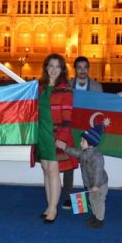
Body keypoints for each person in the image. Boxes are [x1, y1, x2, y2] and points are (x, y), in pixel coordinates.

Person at [34, 54, 76, 224]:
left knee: (53, 170)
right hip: (41, 133)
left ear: (62, 70)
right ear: (46, 68)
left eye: (57, 67)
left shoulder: (66, 91)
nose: (53, 70)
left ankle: (53, 208)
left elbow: (68, 118)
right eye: (51, 66)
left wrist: (63, 138)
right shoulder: (39, 88)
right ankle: (49, 204)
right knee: (45, 169)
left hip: (56, 134)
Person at [62, 56, 103, 210]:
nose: (82, 70)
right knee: (70, 164)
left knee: (90, 165)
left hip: (89, 132)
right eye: (79, 67)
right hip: (71, 129)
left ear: (88, 68)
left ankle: (92, 199)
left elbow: (103, 108)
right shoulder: (67, 86)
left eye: (85, 67)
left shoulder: (97, 87)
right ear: (75, 69)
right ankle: (67, 197)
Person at [56, 123, 108, 229]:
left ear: (90, 144)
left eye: (83, 141)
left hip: (100, 184)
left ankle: (99, 220)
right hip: (90, 184)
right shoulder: (84, 152)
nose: (80, 143)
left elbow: (98, 172)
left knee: (99, 201)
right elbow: (75, 152)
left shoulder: (97, 157)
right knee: (92, 200)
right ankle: (94, 216)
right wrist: (65, 147)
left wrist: (96, 185)